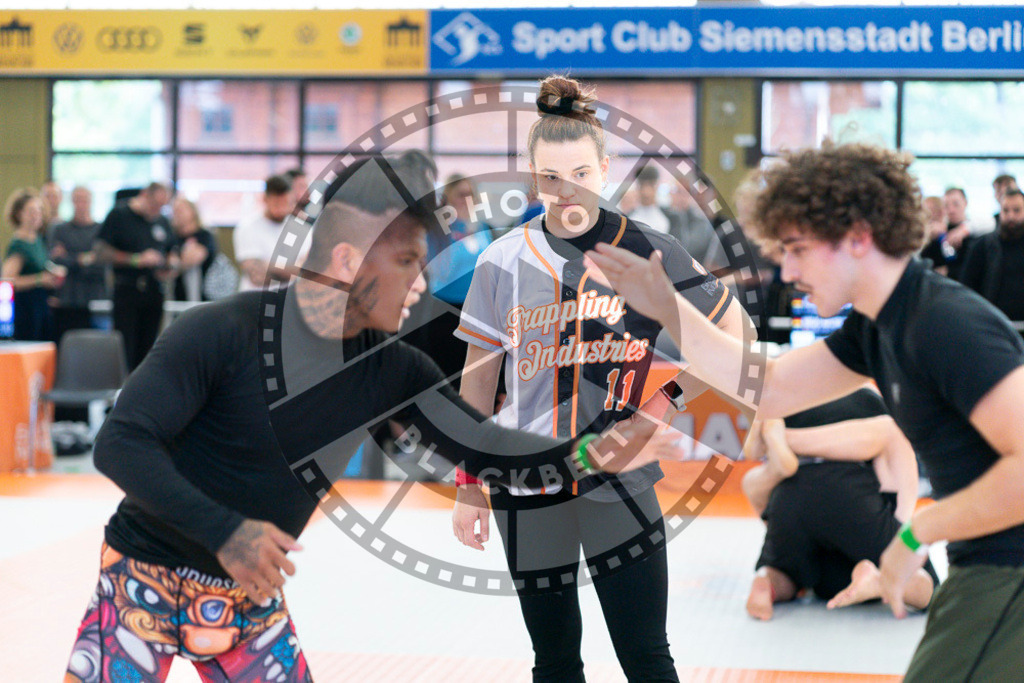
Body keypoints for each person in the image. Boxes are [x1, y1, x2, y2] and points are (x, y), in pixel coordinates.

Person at [64, 149, 682, 682]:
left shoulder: (393, 371)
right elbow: (119, 443)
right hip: (135, 581)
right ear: (345, 262)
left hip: (246, 601)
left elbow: (484, 447)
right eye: (410, 261)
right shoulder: (221, 330)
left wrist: (585, 452)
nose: (422, 280)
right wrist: (226, 531)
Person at [587, 141, 1024, 682]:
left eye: (797, 248)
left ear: (859, 237)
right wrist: (669, 308)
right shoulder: (878, 327)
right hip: (984, 564)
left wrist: (913, 534)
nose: (786, 269)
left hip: (1009, 568)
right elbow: (766, 387)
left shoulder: (944, 323)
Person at [450, 76, 746, 683]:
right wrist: (468, 484)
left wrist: (664, 402)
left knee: (645, 656)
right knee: (554, 660)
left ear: (606, 169)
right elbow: (477, 384)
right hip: (526, 481)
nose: (568, 191)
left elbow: (736, 338)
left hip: (620, 476)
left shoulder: (649, 250)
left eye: (581, 174)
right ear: (534, 177)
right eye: (552, 177)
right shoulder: (501, 259)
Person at [740, 388, 937, 621]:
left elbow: (753, 454)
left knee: (786, 572)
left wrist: (778, 439)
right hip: (853, 495)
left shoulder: (795, 402)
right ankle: (878, 581)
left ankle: (766, 581)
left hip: (790, 493)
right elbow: (895, 448)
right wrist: (900, 532)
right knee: (926, 585)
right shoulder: (868, 398)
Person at [419, 173, 494, 381]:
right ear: (448, 198)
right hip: (444, 309)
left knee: (471, 372)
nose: (466, 200)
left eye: (471, 195)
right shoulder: (438, 230)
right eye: (461, 194)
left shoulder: (481, 228)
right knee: (446, 370)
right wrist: (461, 233)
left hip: (476, 310)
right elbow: (441, 270)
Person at [95, 182, 175, 370]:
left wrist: (169, 265)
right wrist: (135, 260)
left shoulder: (161, 221)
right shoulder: (119, 215)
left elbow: (172, 250)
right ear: (145, 195)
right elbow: (100, 252)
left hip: (154, 290)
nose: (157, 210)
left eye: (162, 206)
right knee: (125, 349)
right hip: (127, 290)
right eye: (155, 204)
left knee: (149, 350)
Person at [1, 188, 64, 340]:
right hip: (26, 309)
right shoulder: (19, 245)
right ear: (19, 214)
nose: (36, 216)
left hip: (40, 305)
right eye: (31, 211)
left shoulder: (37, 240)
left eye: (39, 211)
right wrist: (39, 280)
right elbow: (7, 281)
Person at [49, 185, 107, 340]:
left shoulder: (101, 230)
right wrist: (85, 258)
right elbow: (56, 261)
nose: (81, 205)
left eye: (85, 200)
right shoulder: (60, 230)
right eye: (77, 200)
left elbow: (101, 263)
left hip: (94, 300)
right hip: (68, 301)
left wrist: (71, 257)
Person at [960, 189, 1024, 325]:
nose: (1011, 216)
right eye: (1006, 211)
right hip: (993, 325)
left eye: (1017, 210)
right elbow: (967, 287)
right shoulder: (982, 246)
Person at [233, 174, 293, 292]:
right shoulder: (247, 228)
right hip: (255, 300)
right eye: (276, 203)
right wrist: (291, 270)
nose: (281, 208)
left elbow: (308, 274)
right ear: (265, 199)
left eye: (285, 202)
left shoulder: (302, 230)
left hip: (289, 302)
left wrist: (268, 265)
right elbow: (257, 276)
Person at [169, 196, 218, 303]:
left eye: (181, 209)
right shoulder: (172, 237)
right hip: (178, 297)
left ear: (192, 211)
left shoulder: (204, 236)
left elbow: (193, 259)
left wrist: (176, 264)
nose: (177, 214)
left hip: (203, 297)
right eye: (175, 211)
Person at [920, 187, 974, 280]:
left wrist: (949, 271)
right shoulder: (939, 233)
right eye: (946, 206)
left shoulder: (975, 232)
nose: (951, 210)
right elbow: (924, 263)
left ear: (965, 203)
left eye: (956, 204)